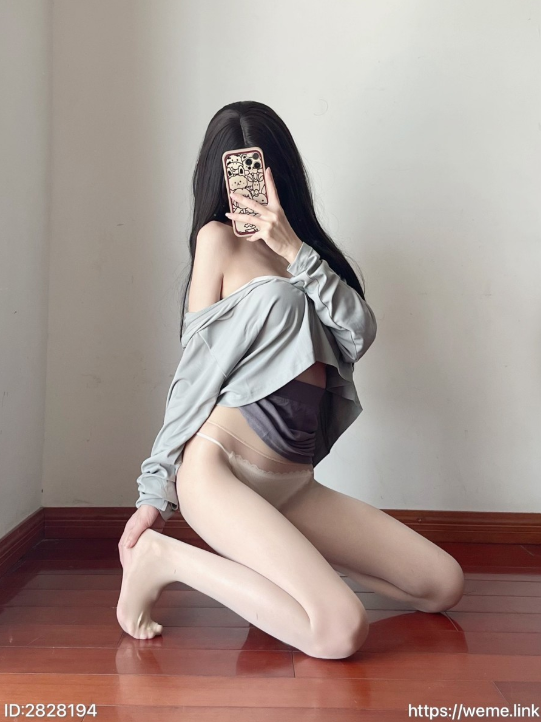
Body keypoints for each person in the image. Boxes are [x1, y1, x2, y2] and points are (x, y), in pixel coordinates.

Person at [116, 101, 465, 658]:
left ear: (282, 173)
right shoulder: (217, 241)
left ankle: (288, 565)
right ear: (218, 176)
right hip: (221, 471)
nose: (249, 187)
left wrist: (294, 250)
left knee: (442, 585)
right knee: (339, 632)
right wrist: (155, 491)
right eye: (237, 172)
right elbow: (194, 374)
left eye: (261, 170)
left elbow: (359, 332)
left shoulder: (305, 256)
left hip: (293, 484)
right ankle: (166, 559)